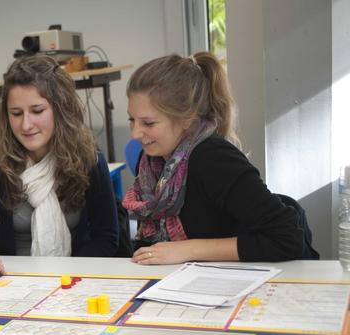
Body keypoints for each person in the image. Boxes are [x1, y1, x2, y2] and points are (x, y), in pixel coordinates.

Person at [0, 55, 119, 276]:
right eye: (16, 113)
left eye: (37, 111)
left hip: (73, 279)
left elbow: (107, 238)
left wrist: (67, 275)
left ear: (60, 109)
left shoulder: (89, 158)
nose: (26, 124)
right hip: (10, 279)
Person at [123, 52, 303, 264]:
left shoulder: (213, 159)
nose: (135, 134)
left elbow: (288, 237)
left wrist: (189, 249)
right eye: (132, 120)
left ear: (187, 119)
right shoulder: (151, 161)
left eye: (149, 123)